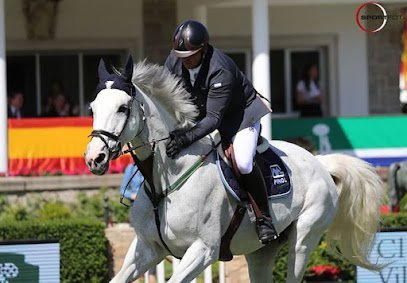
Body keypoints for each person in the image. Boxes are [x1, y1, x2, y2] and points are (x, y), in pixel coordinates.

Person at [164, 20, 277, 243]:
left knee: (243, 162)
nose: (184, 61)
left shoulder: (220, 69)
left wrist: (185, 138)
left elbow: (214, 120)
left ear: (204, 49)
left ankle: (264, 218)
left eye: (190, 56)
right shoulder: (176, 58)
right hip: (204, 114)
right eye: (181, 55)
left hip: (240, 118)